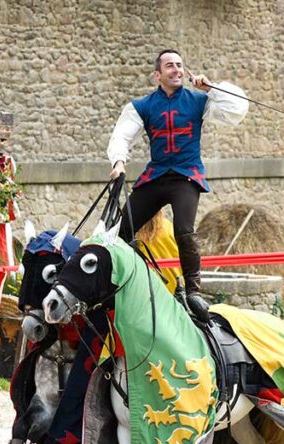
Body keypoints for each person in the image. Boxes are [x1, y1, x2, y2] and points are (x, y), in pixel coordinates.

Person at [107, 49, 248, 321]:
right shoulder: (143, 106)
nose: (177, 70)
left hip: (186, 175)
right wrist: (119, 163)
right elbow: (121, 136)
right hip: (157, 175)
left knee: (184, 230)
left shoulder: (199, 100)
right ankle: (121, 284)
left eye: (180, 65)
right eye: (169, 66)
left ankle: (194, 291)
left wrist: (213, 88)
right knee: (122, 229)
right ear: (157, 75)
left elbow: (237, 108)